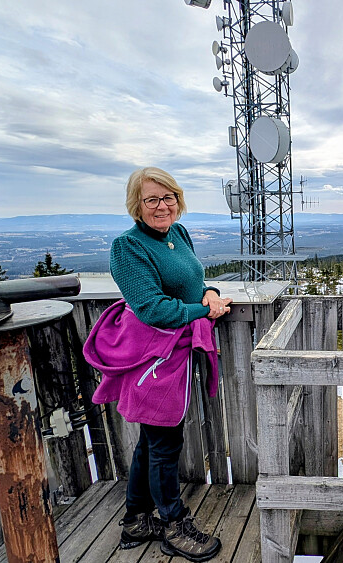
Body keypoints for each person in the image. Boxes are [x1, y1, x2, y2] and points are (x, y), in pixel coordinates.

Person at [103, 166, 232, 560]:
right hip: (151, 357)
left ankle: (136, 520)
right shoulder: (127, 247)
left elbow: (193, 279)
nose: (162, 206)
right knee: (164, 442)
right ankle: (174, 525)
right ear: (136, 206)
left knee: (153, 439)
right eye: (151, 199)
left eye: (168, 197)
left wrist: (208, 292)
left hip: (174, 353)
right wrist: (204, 312)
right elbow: (152, 308)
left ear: (178, 199)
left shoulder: (177, 232)